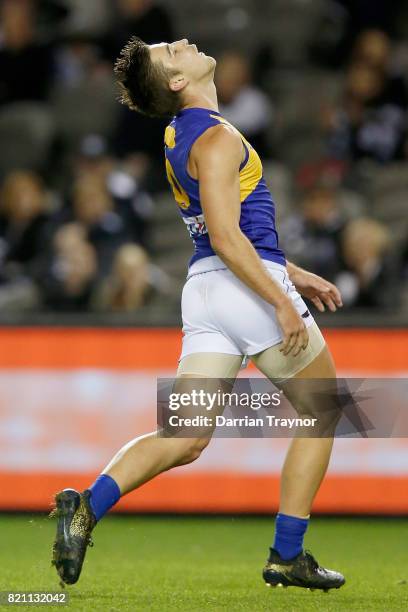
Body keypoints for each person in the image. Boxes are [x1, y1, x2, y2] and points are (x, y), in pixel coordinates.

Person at [51, 37, 345, 592]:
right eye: (171, 51)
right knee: (327, 410)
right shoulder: (217, 136)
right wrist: (282, 298)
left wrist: (290, 268)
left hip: (208, 291)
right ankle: (287, 554)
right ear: (178, 82)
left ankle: (87, 506)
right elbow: (230, 236)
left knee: (184, 435)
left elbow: (220, 231)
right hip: (244, 288)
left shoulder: (177, 133)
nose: (183, 42)